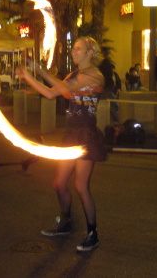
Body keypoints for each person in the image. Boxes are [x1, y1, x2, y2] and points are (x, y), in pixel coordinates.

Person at [15, 37, 106, 252]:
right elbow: (51, 92)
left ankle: (93, 233)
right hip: (70, 134)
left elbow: (64, 87)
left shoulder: (94, 75)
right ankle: (65, 223)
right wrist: (28, 76)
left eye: (78, 49)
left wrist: (40, 71)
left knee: (80, 186)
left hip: (86, 135)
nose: (73, 52)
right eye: (73, 48)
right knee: (59, 184)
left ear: (90, 52)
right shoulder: (71, 75)